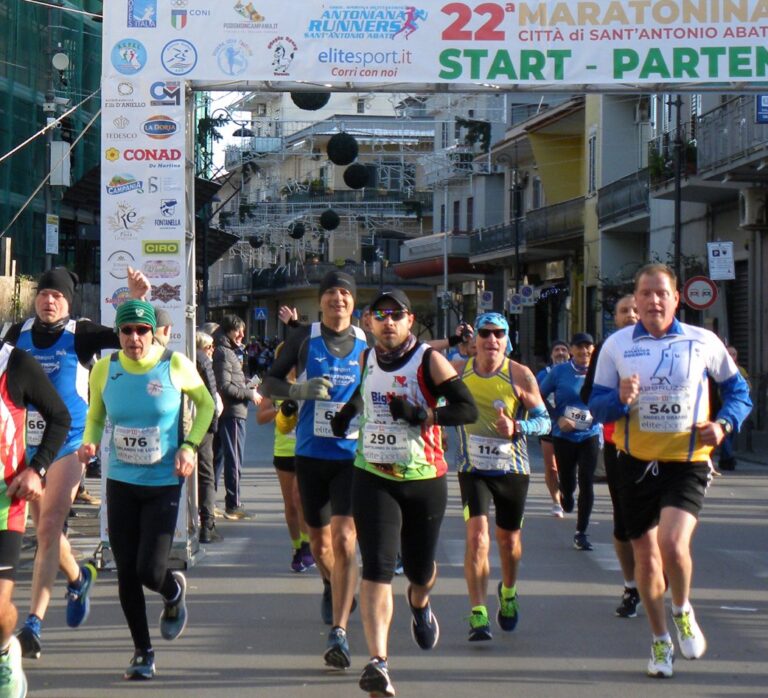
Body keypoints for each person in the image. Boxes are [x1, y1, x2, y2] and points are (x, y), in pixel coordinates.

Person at [588, 263, 752, 678]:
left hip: (686, 460)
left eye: (662, 293)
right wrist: (620, 400)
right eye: (646, 293)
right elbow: (596, 405)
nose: (654, 300)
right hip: (634, 462)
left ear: (676, 299)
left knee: (673, 544)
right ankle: (660, 642)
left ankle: (681, 609)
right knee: (645, 556)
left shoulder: (701, 341)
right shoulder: (617, 345)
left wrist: (723, 425)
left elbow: (739, 392)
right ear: (636, 301)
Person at [329, 288, 478, 697]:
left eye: (396, 314)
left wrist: (425, 414)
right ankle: (378, 661)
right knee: (376, 566)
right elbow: (364, 393)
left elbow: (468, 409)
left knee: (418, 570)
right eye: (381, 315)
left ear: (410, 321)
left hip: (423, 478)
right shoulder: (366, 357)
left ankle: (419, 602)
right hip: (373, 473)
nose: (388, 322)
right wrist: (346, 414)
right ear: (369, 322)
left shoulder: (429, 360)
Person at [5, 266, 149, 659]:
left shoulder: (81, 334)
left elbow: (127, 333)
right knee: (47, 531)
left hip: (68, 442)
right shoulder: (15, 335)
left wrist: (136, 299)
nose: (50, 300)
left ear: (69, 302)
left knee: (49, 527)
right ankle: (78, 576)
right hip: (26, 447)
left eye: (59, 296)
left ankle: (33, 623)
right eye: (44, 293)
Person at [77, 300, 214, 680]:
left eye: (141, 330)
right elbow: (95, 416)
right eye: (126, 331)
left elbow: (206, 406)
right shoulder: (105, 369)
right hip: (121, 482)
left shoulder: (174, 364)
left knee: (150, 571)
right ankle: (143, 651)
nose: (134, 338)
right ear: (118, 334)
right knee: (125, 572)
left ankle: (171, 593)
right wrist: (89, 443)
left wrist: (189, 446)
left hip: (163, 482)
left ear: (153, 331)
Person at [261, 271, 366, 669]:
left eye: (345, 293)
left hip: (352, 457)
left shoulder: (365, 343)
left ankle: (339, 630)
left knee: (343, 539)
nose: (338, 299)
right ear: (319, 302)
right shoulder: (303, 339)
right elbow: (269, 383)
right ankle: (331, 582)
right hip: (310, 453)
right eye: (331, 294)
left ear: (353, 303)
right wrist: (297, 391)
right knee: (320, 546)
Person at [453, 312, 550, 642]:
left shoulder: (520, 375)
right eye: (485, 333)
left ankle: (508, 591)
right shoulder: (458, 371)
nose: (491, 340)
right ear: (475, 339)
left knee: (508, 542)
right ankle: (478, 611)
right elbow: (434, 397)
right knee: (478, 537)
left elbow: (545, 421)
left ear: (507, 339)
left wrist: (519, 426)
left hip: (512, 469)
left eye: (499, 334)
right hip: (472, 468)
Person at [0, 338, 70, 696]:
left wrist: (37, 469)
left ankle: (4, 649)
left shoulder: (14, 363)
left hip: (3, 504)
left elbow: (60, 416)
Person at [581, 294, 642, 618]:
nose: (631, 315)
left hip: (667, 448)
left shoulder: (672, 344)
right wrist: (618, 398)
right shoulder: (608, 349)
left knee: (663, 523)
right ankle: (631, 585)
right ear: (614, 317)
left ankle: (655, 572)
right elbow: (589, 397)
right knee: (624, 523)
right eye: (624, 310)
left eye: (635, 309)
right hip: (620, 445)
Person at [539, 333, 601, 551]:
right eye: (580, 348)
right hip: (563, 435)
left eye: (588, 348)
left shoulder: (601, 370)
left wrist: (599, 414)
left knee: (586, 480)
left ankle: (581, 532)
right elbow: (539, 396)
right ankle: (565, 494)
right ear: (571, 350)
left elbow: (609, 396)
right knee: (568, 481)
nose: (584, 352)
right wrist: (558, 417)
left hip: (590, 434)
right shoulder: (559, 372)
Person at [256, 352, 315, 573]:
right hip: (283, 450)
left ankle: (309, 543)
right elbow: (260, 417)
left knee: (300, 499)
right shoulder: (274, 386)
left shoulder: (310, 383)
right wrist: (280, 410)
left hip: (307, 449)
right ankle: (297, 547)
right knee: (290, 503)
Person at [213, 314, 261, 520]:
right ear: (228, 331)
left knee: (219, 459)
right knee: (234, 460)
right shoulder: (224, 353)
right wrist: (249, 393)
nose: (242, 334)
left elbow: (230, 381)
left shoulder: (228, 351)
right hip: (232, 414)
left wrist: (247, 383)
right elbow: (224, 387)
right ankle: (233, 504)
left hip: (232, 413)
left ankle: (206, 502)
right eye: (238, 330)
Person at [536, 340, 570, 517]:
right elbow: (535, 397)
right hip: (549, 425)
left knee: (568, 466)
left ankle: (567, 492)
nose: (560, 353)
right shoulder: (544, 374)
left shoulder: (577, 373)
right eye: (556, 350)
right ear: (551, 355)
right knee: (552, 467)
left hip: (572, 426)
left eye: (564, 350)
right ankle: (556, 501)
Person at [195, 331, 223, 544]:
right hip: (201, 425)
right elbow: (212, 396)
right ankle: (207, 524)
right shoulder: (203, 360)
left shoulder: (178, 355)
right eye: (210, 345)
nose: (212, 349)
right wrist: (213, 425)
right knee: (206, 473)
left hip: (179, 421)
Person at [718, 345, 750, 471]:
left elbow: (746, 388)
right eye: (729, 353)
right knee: (724, 436)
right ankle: (727, 458)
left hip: (733, 408)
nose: (731, 356)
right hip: (718, 406)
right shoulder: (718, 368)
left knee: (728, 436)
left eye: (734, 354)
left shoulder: (740, 370)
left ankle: (726, 457)